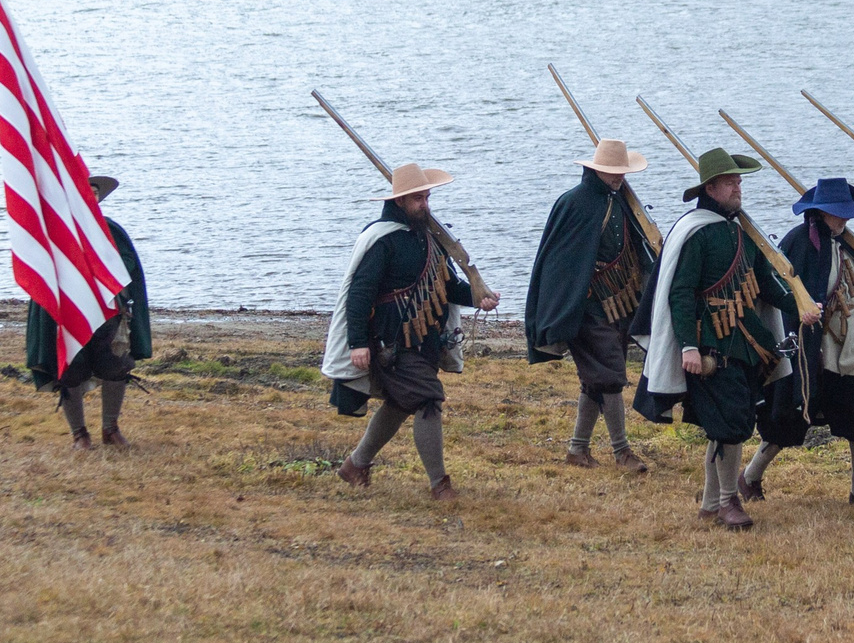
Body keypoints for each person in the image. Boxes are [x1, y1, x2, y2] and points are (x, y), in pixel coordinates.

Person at [634, 147, 819, 531]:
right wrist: (687, 345)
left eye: (739, 181)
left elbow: (766, 286)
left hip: (746, 345)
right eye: (732, 182)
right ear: (712, 187)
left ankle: (709, 504)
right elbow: (680, 293)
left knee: (729, 424)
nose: (739, 187)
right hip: (709, 345)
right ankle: (726, 502)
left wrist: (801, 305)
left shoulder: (742, 232)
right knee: (729, 426)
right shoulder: (696, 233)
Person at [320, 163, 498, 499]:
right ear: (400, 201)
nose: (425, 204)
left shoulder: (429, 238)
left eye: (426, 197)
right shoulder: (380, 240)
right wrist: (358, 344)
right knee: (428, 398)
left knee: (402, 404)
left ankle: (355, 466)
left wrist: (480, 297)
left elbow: (448, 286)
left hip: (426, 341)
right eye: (418, 198)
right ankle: (439, 485)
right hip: (391, 344)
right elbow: (359, 294)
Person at [752, 177, 854, 507]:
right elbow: (785, 297)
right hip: (812, 353)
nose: (845, 219)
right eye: (839, 213)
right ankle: (749, 478)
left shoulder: (843, 244)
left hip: (849, 351)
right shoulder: (800, 243)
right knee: (789, 422)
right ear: (820, 212)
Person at [523, 137, 656, 472]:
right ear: (596, 170)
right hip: (586, 307)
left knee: (596, 379)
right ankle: (622, 451)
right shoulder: (575, 203)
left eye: (621, 171)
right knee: (610, 376)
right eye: (612, 171)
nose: (618, 177)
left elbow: (637, 247)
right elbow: (560, 263)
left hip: (620, 304)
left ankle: (577, 449)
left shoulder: (621, 200)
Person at [25, 174, 151, 449]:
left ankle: (111, 429)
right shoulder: (57, 234)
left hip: (107, 313)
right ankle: (79, 434)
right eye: (86, 192)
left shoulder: (111, 231)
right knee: (71, 369)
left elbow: (128, 268)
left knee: (116, 366)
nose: (92, 197)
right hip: (68, 313)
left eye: (95, 193)